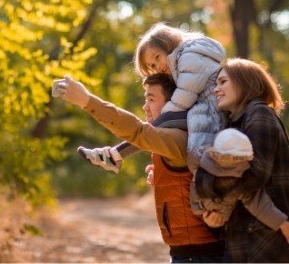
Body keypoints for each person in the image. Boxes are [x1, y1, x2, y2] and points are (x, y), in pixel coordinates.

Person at [54, 73, 225, 262]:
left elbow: (137, 131)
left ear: (172, 105)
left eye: (151, 99)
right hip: (189, 252)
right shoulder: (177, 136)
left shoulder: (179, 137)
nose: (145, 107)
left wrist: (86, 100)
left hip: (199, 255)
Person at [195, 58, 289, 262]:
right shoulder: (236, 122)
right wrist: (216, 211)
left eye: (223, 82)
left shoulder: (259, 113)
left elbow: (255, 174)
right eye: (216, 84)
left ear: (245, 82)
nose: (216, 90)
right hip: (250, 235)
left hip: (270, 240)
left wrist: (216, 198)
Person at [78, 23, 226, 173]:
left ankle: (114, 155)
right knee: (156, 127)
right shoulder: (187, 59)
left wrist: (164, 114)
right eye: (152, 66)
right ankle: (114, 155)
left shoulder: (189, 58)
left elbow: (184, 96)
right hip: (207, 109)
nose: (157, 66)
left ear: (169, 45)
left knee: (159, 124)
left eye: (157, 57)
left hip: (210, 110)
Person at [188, 128, 289, 245]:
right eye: (241, 159)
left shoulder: (241, 180)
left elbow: (259, 203)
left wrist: (281, 223)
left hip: (222, 222)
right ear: (222, 157)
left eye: (248, 158)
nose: (247, 163)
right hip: (203, 220)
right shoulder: (200, 163)